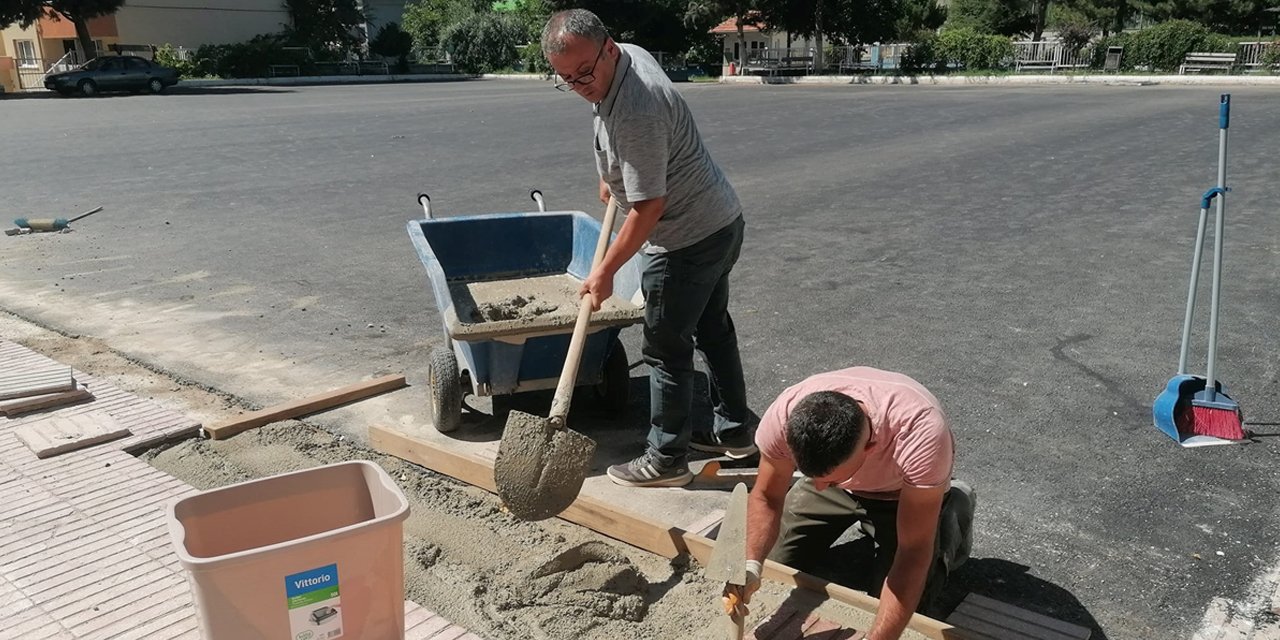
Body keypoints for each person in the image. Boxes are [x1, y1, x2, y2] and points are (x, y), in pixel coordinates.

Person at [541, 9, 754, 487]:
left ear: (608, 48)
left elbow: (650, 206)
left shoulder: (637, 109)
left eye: (585, 73)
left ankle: (665, 459)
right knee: (712, 329)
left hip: (686, 238)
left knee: (663, 348)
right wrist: (612, 173)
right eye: (567, 80)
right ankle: (736, 432)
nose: (580, 86)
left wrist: (606, 270)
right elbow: (614, 129)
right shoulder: (625, 60)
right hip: (721, 219)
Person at [725, 367, 975, 640]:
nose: (818, 486)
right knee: (777, 564)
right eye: (809, 474)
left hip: (901, 492)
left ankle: (953, 506)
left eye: (827, 480)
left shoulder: (920, 432)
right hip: (844, 484)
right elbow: (768, 496)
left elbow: (913, 551)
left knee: (906, 604)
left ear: (870, 447)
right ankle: (839, 487)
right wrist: (751, 565)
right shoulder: (785, 414)